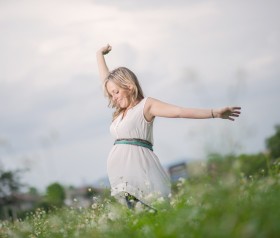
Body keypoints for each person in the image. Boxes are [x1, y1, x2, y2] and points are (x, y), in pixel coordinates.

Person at [96, 44, 241, 210]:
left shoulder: (146, 106)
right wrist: (99, 55)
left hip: (140, 173)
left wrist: (215, 112)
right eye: (111, 94)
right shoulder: (120, 112)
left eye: (116, 92)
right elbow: (105, 81)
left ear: (128, 86)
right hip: (123, 179)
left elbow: (179, 111)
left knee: (150, 216)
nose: (113, 98)